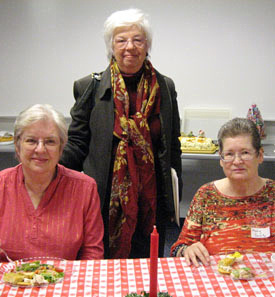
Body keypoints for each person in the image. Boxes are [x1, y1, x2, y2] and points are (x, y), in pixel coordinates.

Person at [60, 8, 182, 259]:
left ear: (147, 45)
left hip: (152, 198)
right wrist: (48, 171)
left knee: (148, 263)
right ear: (111, 46)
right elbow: (77, 143)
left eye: (137, 39)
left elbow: (173, 145)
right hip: (104, 199)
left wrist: (173, 197)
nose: (130, 47)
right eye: (121, 40)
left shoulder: (165, 87)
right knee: (102, 264)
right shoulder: (88, 86)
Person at [0, 104, 104, 262]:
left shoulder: (85, 189)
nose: (40, 149)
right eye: (31, 141)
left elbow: (92, 255)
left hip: (66, 283)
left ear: (61, 148)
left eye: (50, 142)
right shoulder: (2, 185)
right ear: (17, 145)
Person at [171, 118, 275, 267]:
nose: (237, 161)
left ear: (260, 155)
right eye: (229, 154)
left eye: (245, 153)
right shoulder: (206, 195)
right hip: (216, 281)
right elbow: (178, 247)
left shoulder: (272, 194)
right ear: (221, 159)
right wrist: (187, 249)